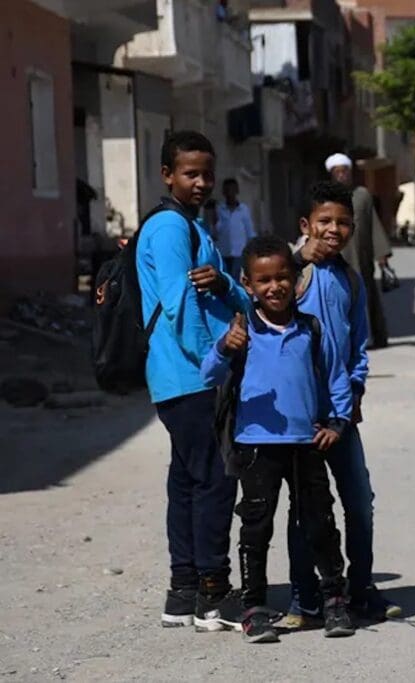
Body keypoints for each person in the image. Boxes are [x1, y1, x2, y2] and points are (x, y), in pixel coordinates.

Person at [200, 235, 356, 643]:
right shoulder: (241, 330)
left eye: (283, 277)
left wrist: (337, 422)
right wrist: (222, 348)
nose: (275, 287)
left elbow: (336, 376)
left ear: (296, 281)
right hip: (255, 446)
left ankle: (334, 601)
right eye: (264, 280)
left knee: (319, 522)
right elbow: (209, 375)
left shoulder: (310, 328)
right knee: (256, 528)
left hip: (307, 443)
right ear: (247, 284)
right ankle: (254, 608)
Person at [136, 130, 250, 631]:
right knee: (215, 480)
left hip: (185, 377)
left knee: (186, 480)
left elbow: (236, 300)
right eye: (190, 173)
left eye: (207, 172)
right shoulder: (167, 227)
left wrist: (226, 284)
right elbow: (181, 307)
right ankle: (212, 592)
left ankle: (182, 592)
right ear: (167, 175)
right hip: (190, 377)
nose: (201, 182)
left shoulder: (194, 225)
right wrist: (215, 360)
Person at [287, 181, 401, 624]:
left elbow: (357, 349)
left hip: (341, 416)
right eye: (324, 222)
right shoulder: (290, 271)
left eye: (343, 223)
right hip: (299, 418)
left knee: (358, 502)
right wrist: (296, 260)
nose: (334, 230)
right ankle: (304, 596)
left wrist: (353, 395)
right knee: (306, 511)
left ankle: (362, 588)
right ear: (306, 225)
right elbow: (250, 293)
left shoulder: (351, 281)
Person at [324, 153, 392, 349]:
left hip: (361, 257)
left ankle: (371, 337)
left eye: (345, 172)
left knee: (365, 295)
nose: (342, 176)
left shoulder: (362, 195)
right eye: (338, 173)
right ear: (331, 175)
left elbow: (374, 225)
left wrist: (382, 255)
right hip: (336, 256)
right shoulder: (325, 198)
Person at [215, 178, 255, 280]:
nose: (230, 193)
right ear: (223, 192)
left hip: (239, 252)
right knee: (225, 278)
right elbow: (215, 231)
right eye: (227, 190)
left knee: (237, 279)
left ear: (237, 191)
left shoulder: (243, 209)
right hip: (224, 252)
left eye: (232, 190)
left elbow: (250, 230)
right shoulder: (219, 209)